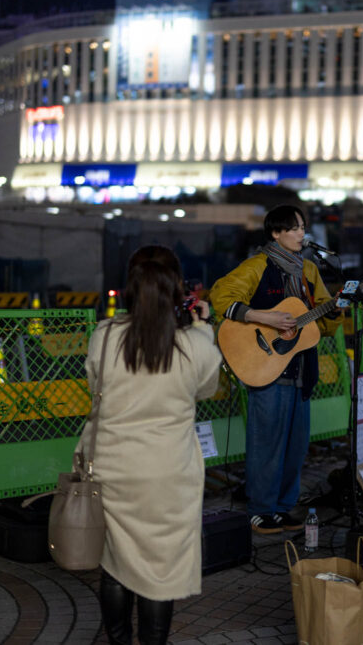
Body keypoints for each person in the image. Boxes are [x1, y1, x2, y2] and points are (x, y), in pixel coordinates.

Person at [79, 246, 223, 644]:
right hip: (169, 475)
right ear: (176, 288)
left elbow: (96, 388)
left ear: (131, 285)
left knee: (114, 564)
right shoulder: (194, 345)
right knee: (161, 571)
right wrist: (202, 328)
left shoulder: (105, 336)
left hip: (112, 468)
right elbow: (207, 389)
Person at [209, 204, 341, 535]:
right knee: (266, 444)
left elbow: (321, 326)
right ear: (275, 233)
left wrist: (335, 310)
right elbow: (221, 296)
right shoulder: (257, 266)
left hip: (301, 370)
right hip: (266, 367)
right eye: (294, 228)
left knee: (296, 447)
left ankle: (282, 507)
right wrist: (263, 317)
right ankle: (261, 510)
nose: (301, 233)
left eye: (302, 227)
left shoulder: (309, 270)